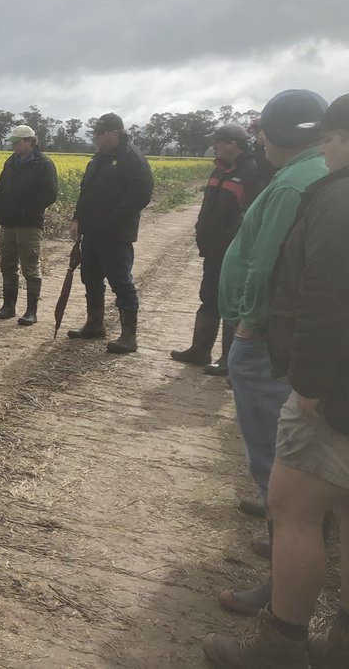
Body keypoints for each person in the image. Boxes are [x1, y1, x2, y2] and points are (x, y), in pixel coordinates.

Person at [202, 93, 349, 667]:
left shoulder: (314, 189)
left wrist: (305, 383)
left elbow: (314, 290)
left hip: (312, 377)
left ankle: (280, 636)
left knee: (291, 506)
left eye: (333, 139)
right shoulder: (311, 180)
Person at [170, 124, 262, 374]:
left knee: (231, 303)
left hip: (233, 252)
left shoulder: (252, 172)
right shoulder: (218, 170)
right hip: (212, 250)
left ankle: (228, 360)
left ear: (233, 144)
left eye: (219, 142)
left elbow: (250, 217)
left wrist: (234, 243)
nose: (214, 146)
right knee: (208, 297)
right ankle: (200, 350)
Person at [66, 113, 154, 354]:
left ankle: (128, 336)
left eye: (99, 134)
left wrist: (112, 218)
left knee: (121, 282)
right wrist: (77, 218)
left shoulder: (131, 158)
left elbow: (141, 195)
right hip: (92, 232)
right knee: (91, 277)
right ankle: (94, 324)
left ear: (114, 133)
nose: (96, 139)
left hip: (116, 234)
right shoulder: (100, 157)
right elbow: (87, 190)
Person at [0, 124, 59, 325]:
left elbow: (49, 194)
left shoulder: (44, 164)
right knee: (8, 264)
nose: (13, 146)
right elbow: (1, 187)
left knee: (30, 266)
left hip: (29, 223)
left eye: (17, 142)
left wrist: (25, 211)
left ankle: (31, 311)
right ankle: (8, 307)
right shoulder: (11, 162)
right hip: (8, 222)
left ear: (29, 141)